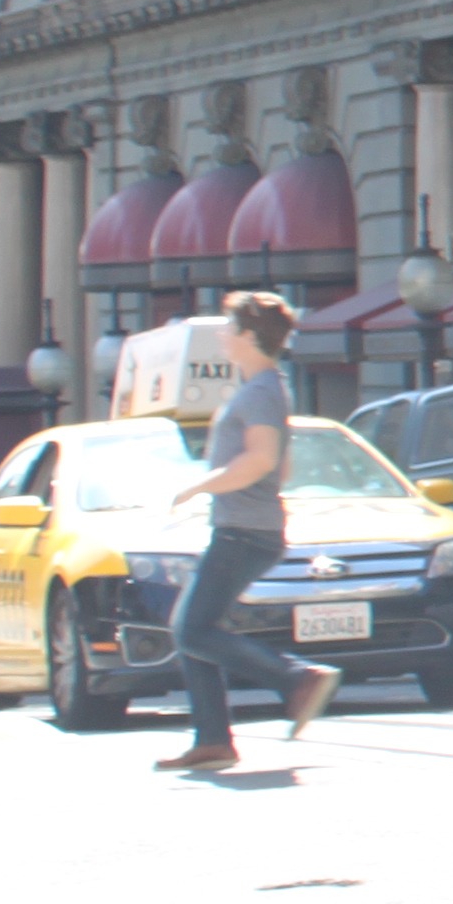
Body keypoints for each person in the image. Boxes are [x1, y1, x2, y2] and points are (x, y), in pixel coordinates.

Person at [151, 292, 341, 772]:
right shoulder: (265, 387)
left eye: (230, 329)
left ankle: (297, 679)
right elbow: (282, 464)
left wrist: (200, 485)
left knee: (190, 628)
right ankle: (213, 739)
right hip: (245, 526)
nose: (223, 336)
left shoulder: (259, 392)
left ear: (250, 338)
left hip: (245, 531)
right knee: (196, 628)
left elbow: (262, 459)